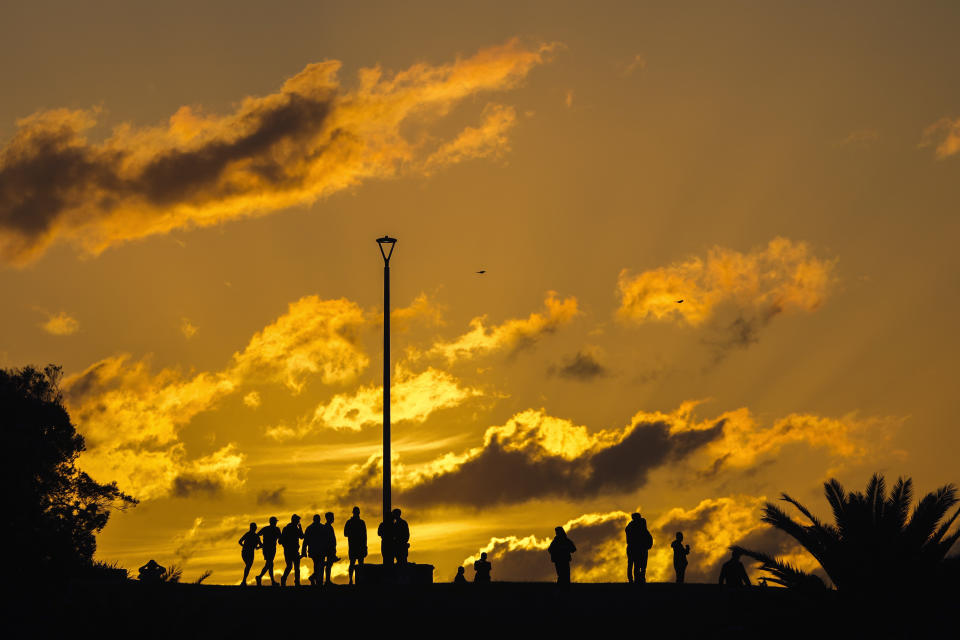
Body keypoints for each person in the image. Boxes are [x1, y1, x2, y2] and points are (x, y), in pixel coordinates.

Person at [625, 512, 653, 584]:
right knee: (635, 564)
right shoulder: (634, 527)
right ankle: (635, 580)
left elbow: (648, 538)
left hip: (638, 548)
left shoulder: (633, 526)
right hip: (635, 548)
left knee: (637, 564)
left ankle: (637, 580)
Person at [343, 506, 367, 585]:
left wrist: (365, 546)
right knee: (355, 563)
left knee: (358, 564)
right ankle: (352, 580)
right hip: (355, 546)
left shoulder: (357, 522)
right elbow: (345, 533)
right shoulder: (355, 522)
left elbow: (364, 536)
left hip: (358, 546)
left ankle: (357, 580)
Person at [256, 516, 281, 586]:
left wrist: (260, 544)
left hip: (271, 548)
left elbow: (280, 538)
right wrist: (260, 544)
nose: (276, 523)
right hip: (267, 548)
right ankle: (261, 577)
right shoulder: (270, 529)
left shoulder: (272, 529)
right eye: (275, 521)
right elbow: (257, 535)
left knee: (269, 564)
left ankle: (263, 578)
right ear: (272, 522)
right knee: (270, 563)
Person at [280, 514, 304, 586]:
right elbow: (302, 536)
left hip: (289, 550)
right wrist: (300, 528)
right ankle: (295, 582)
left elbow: (281, 540)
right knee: (295, 567)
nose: (298, 522)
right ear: (295, 520)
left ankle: (285, 579)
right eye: (298, 521)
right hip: (292, 550)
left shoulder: (286, 528)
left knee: (290, 566)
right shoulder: (294, 528)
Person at [302, 515, 325, 586]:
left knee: (318, 565)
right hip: (318, 550)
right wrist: (304, 551)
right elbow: (305, 541)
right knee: (320, 565)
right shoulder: (322, 527)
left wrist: (304, 551)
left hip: (315, 550)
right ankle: (316, 580)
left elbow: (305, 541)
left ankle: (317, 580)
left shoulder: (310, 528)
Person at [318, 512, 338, 586]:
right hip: (328, 549)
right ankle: (326, 581)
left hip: (327, 549)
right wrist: (332, 549)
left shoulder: (326, 527)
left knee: (326, 564)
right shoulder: (327, 527)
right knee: (328, 565)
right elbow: (329, 540)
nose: (333, 519)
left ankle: (325, 580)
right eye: (332, 517)